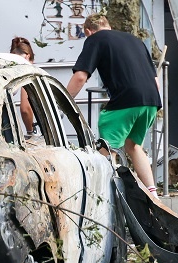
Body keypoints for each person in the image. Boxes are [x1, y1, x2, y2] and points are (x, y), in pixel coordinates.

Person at [66, 13, 162, 196]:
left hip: (127, 99)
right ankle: (153, 195)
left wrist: (63, 102)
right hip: (151, 100)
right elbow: (156, 82)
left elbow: (80, 77)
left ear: (88, 31)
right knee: (133, 146)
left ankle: (103, 197)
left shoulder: (95, 39)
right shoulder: (135, 40)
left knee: (107, 148)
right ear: (108, 26)